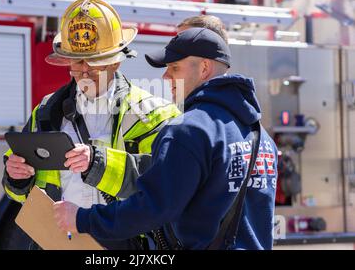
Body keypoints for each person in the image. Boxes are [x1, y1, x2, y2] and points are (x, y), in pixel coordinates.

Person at [53, 25, 278, 250]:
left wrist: (82, 219)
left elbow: (152, 209)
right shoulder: (260, 135)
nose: (165, 75)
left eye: (174, 67)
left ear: (204, 68)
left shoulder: (188, 130)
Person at [2, 0, 180, 250]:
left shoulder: (154, 115)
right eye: (76, 61)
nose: (84, 70)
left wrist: (99, 163)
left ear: (117, 60)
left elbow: (167, 187)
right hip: (58, 243)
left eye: (94, 61)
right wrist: (15, 177)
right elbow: (20, 192)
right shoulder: (46, 112)